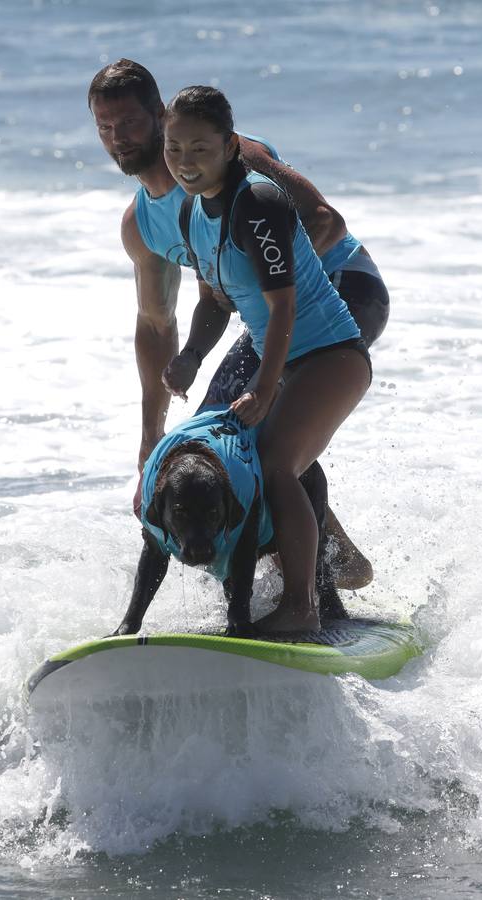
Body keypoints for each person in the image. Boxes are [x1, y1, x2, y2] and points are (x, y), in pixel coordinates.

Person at [88, 59, 389, 589]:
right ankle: (330, 565)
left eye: (130, 122)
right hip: (267, 317)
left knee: (237, 439)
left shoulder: (228, 156)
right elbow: (158, 326)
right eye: (105, 128)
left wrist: (272, 301)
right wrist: (150, 436)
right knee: (214, 444)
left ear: (160, 115)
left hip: (342, 286)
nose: (119, 138)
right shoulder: (144, 224)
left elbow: (324, 221)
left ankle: (312, 583)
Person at [160, 86, 372, 632]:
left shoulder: (257, 201)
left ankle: (303, 609)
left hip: (329, 356)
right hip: (291, 360)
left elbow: (284, 308)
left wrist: (262, 386)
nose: (186, 162)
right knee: (249, 464)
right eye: (175, 148)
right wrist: (189, 356)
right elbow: (213, 297)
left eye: (200, 148)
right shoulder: (190, 212)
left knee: (276, 463)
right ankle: (301, 586)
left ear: (230, 145)